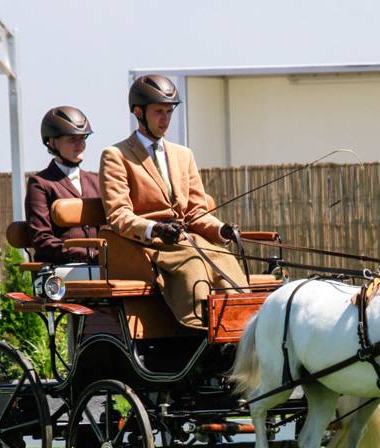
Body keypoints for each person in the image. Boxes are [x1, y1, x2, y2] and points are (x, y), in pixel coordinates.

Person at [99, 74, 246, 331]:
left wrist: (220, 230)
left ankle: (240, 324)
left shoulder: (183, 154)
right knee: (193, 262)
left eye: (169, 112)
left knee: (223, 257)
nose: (165, 119)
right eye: (159, 112)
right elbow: (119, 214)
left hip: (185, 238)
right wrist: (155, 228)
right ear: (139, 113)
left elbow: (196, 211)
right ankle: (200, 328)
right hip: (146, 244)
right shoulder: (116, 155)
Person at [25, 106, 100, 264]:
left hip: (101, 266)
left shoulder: (96, 181)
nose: (80, 145)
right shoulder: (40, 184)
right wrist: (88, 255)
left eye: (83, 138)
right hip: (62, 268)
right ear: (52, 142)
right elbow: (42, 239)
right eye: (72, 139)